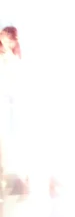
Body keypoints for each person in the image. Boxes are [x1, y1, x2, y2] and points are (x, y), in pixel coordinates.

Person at [0, 26, 26, 200]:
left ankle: (11, 180)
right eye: (5, 37)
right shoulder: (6, 57)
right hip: (6, 99)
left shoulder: (13, 58)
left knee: (7, 137)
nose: (7, 41)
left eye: (10, 39)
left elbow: (16, 80)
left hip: (8, 101)